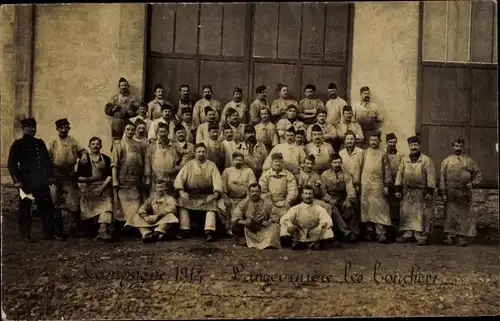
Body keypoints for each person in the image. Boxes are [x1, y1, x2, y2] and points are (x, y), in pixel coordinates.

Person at [7, 118, 61, 241]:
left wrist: (50, 176)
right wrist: (17, 180)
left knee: (46, 206)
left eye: (34, 127)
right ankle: (25, 234)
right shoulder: (18, 144)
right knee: (25, 208)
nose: (32, 129)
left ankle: (49, 232)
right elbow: (12, 164)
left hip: (41, 181)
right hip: (26, 182)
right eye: (29, 127)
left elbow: (47, 161)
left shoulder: (40, 143)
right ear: (23, 128)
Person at [174, 143, 226, 242]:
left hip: (207, 194)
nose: (201, 154)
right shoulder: (188, 165)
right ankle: (185, 229)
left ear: (206, 153)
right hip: (192, 194)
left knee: (213, 204)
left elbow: (217, 181)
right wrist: (181, 192)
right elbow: (179, 179)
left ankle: (209, 231)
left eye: (203, 152)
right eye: (199, 152)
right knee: (181, 201)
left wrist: (215, 194)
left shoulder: (211, 165)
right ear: (195, 153)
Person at [47, 118, 89, 238]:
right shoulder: (53, 141)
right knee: (55, 203)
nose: (64, 130)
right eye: (62, 128)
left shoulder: (72, 141)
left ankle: (74, 228)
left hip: (69, 175)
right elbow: (46, 157)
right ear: (57, 129)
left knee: (74, 203)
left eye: (67, 128)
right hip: (55, 174)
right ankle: (57, 231)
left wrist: (84, 155)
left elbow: (82, 150)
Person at [439, 138, 482, 247]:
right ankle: (448, 236)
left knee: (463, 213)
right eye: (456, 146)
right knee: (449, 213)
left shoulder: (469, 161)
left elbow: (478, 174)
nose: (458, 148)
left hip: (464, 191)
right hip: (451, 190)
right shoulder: (447, 160)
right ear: (453, 147)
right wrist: (443, 192)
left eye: (460, 146)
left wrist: (473, 184)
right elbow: (442, 178)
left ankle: (461, 237)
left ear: (463, 147)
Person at [395, 135, 436, 246]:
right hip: (407, 191)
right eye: (412, 145)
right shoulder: (405, 160)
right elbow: (399, 174)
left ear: (419, 146)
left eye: (415, 145)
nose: (414, 147)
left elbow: (431, 176)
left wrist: (429, 192)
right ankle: (407, 234)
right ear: (409, 146)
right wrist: (398, 189)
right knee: (406, 213)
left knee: (420, 214)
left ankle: (420, 236)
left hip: (421, 192)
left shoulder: (426, 160)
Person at [75, 137, 113, 241]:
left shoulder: (106, 158)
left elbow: (110, 176)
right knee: (87, 222)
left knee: (108, 205)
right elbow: (78, 177)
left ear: (101, 146)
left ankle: (103, 230)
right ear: (89, 146)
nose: (95, 146)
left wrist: (101, 188)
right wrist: (91, 180)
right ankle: (89, 226)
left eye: (97, 144)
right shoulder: (84, 160)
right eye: (93, 144)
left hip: (103, 187)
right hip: (88, 188)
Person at [111, 121, 147, 226]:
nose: (130, 132)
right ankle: (124, 225)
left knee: (135, 204)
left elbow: (142, 162)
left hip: (135, 180)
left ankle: (132, 224)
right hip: (123, 180)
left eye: (132, 130)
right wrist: (114, 180)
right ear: (124, 131)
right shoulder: (119, 144)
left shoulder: (138, 145)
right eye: (128, 129)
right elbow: (114, 164)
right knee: (123, 205)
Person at [359, 133, 392, 243]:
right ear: (369, 141)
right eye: (372, 140)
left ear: (379, 141)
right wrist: (357, 183)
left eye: (375, 140)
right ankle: (369, 231)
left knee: (380, 207)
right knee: (367, 206)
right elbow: (358, 168)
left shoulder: (383, 154)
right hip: (365, 184)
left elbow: (387, 171)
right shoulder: (364, 153)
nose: (373, 142)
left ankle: (381, 232)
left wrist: (387, 185)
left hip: (378, 184)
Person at [280, 185, 334, 250]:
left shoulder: (318, 208)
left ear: (313, 195)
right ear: (302, 195)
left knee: (329, 232)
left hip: (314, 232)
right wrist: (290, 224)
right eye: (306, 194)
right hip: (299, 232)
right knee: (284, 228)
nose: (308, 196)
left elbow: (326, 218)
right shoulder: (296, 208)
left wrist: (320, 227)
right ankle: (305, 244)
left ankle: (308, 244)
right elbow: (285, 218)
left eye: (310, 194)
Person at [321, 154, 359, 242]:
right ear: (331, 163)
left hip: (342, 198)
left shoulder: (346, 174)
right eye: (335, 162)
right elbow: (322, 190)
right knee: (334, 210)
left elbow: (350, 188)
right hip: (330, 198)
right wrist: (329, 199)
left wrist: (348, 199)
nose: (337, 164)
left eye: (339, 162)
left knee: (349, 207)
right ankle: (346, 232)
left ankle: (353, 232)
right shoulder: (325, 175)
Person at [231, 183, 281, 249]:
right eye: (252, 191)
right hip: (250, 228)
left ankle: (266, 243)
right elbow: (234, 218)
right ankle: (247, 241)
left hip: (264, 229)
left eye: (257, 191)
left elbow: (275, 217)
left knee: (275, 226)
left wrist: (268, 222)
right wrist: (245, 221)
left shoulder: (267, 203)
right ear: (249, 192)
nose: (255, 194)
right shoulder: (244, 203)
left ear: (260, 192)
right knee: (235, 226)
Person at [144, 122, 182, 196]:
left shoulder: (175, 144)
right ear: (158, 133)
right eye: (161, 132)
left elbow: (186, 155)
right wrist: (147, 176)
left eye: (165, 131)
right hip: (156, 179)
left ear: (168, 132)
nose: (163, 134)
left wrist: (179, 166)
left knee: (170, 201)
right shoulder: (153, 145)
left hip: (170, 179)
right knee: (156, 201)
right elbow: (147, 161)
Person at [259, 152, 298, 219]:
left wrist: (288, 201)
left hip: (284, 202)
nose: (278, 163)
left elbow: (293, 190)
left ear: (283, 163)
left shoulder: (288, 175)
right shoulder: (265, 175)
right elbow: (262, 190)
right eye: (276, 161)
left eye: (280, 161)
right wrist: (268, 201)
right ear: (271, 163)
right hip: (269, 203)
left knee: (287, 219)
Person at [104, 77, 140, 144]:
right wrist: (113, 109)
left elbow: (139, 110)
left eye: (125, 85)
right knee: (117, 141)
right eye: (122, 85)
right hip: (117, 122)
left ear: (128, 86)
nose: (124, 87)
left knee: (129, 141)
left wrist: (132, 112)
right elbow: (107, 109)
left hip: (129, 122)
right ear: (119, 87)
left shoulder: (133, 98)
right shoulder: (115, 97)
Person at [221, 152, 257, 217]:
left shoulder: (248, 171)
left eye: (240, 160)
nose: (238, 162)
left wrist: (247, 199)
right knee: (221, 207)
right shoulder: (227, 171)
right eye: (236, 160)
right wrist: (226, 199)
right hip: (230, 198)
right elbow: (223, 186)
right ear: (233, 161)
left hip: (245, 199)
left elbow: (252, 186)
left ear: (243, 161)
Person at [385, 133, 404, 230]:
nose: (392, 144)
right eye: (390, 142)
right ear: (386, 143)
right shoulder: (383, 155)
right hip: (386, 183)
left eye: (394, 142)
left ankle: (396, 228)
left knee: (396, 206)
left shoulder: (401, 155)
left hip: (397, 183)